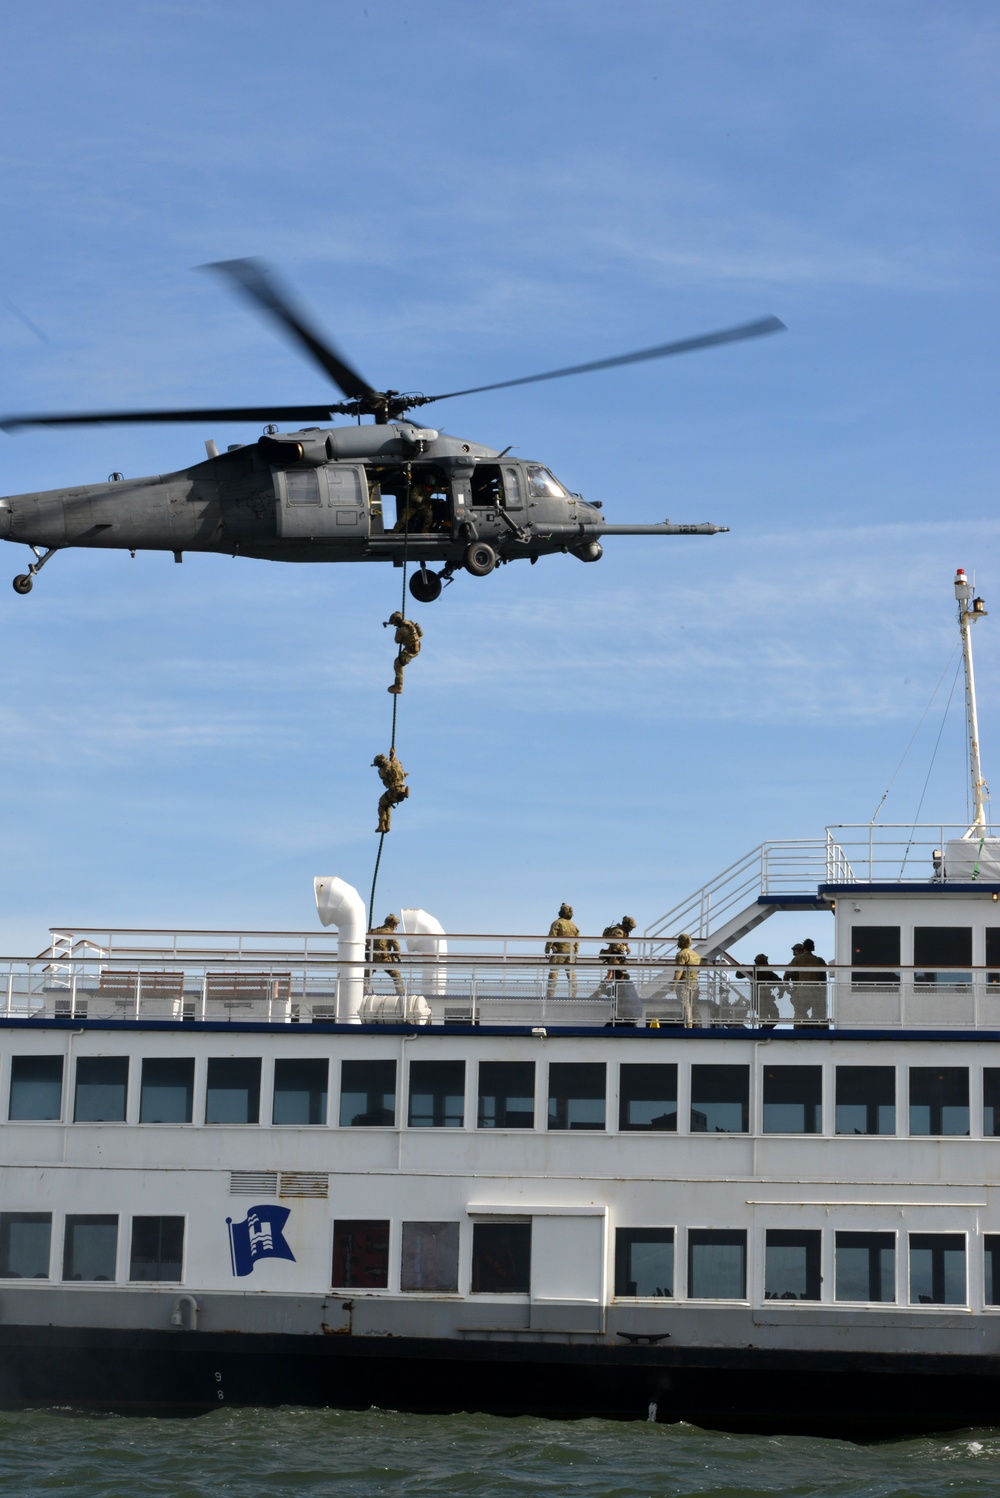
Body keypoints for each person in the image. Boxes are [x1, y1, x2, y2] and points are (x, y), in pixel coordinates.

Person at [736, 953, 783, 1028]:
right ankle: (764, 1032)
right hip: (760, 999)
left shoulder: (757, 971)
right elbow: (779, 981)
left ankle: (764, 1031)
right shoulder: (759, 971)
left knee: (769, 1018)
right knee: (770, 1018)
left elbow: (738, 975)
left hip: (762, 998)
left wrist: (744, 967)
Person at [545, 902, 580, 998]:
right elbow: (577, 941)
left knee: (553, 974)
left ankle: (550, 996)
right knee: (572, 976)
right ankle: (573, 996)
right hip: (571, 953)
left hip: (559, 952)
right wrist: (576, 953)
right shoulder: (574, 925)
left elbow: (552, 936)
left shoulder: (557, 923)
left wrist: (547, 949)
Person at [386, 611, 423, 695]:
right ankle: (398, 685)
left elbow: (397, 640)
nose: (394, 625)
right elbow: (421, 634)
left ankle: (398, 686)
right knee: (399, 662)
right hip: (415, 647)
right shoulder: (410, 623)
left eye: (394, 623)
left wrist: (397, 631)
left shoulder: (402, 629)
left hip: (411, 650)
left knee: (398, 664)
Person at [372, 748, 409, 833]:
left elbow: (386, 783)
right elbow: (393, 760)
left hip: (393, 792)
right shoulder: (396, 763)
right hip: (402, 790)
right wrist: (392, 754)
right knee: (388, 804)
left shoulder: (383, 770)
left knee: (381, 803)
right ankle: (387, 824)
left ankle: (382, 824)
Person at [368, 913, 404, 997]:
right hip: (384, 959)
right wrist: (398, 957)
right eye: (395, 924)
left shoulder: (375, 931)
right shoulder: (390, 933)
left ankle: (368, 993)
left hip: (372, 959)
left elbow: (367, 944)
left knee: (366, 976)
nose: (396, 926)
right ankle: (401, 993)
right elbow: (396, 946)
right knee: (396, 974)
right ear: (391, 924)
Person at [797, 937, 829, 1024]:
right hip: (816, 991)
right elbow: (824, 975)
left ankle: (800, 1031)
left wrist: (791, 989)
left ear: (803, 947)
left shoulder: (798, 959)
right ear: (812, 947)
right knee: (818, 1016)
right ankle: (818, 1030)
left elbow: (788, 973)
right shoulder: (819, 960)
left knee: (801, 1015)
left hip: (802, 991)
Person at [673, 933, 702, 1027]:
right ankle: (698, 1026)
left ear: (682, 942)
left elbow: (679, 971)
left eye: (679, 940)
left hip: (684, 985)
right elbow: (698, 971)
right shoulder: (696, 955)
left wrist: (673, 985)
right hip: (695, 984)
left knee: (686, 1006)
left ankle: (688, 1027)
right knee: (694, 1007)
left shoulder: (681, 954)